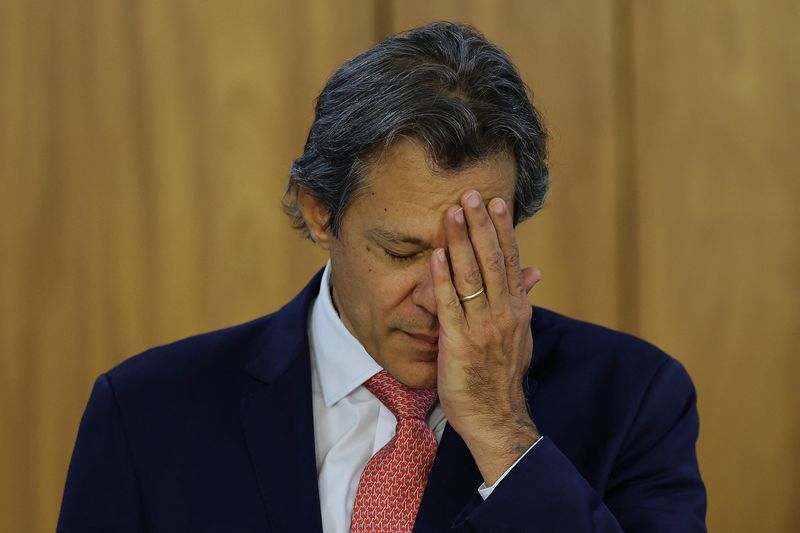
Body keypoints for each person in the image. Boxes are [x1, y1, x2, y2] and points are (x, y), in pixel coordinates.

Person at [57, 22, 706, 533]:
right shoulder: (145, 415)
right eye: (402, 251)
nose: (439, 299)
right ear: (319, 210)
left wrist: (502, 429)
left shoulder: (637, 397)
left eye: (475, 252)